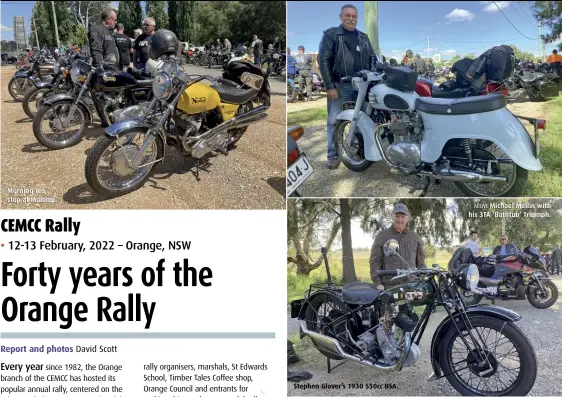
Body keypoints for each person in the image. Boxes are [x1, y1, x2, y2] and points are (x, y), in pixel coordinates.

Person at [318, 4, 376, 170]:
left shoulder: (363, 37)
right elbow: (323, 61)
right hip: (340, 84)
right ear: (340, 17)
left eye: (354, 16)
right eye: (347, 15)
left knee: (361, 120)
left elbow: (372, 59)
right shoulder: (331, 34)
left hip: (363, 86)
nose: (351, 18)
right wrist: (329, 86)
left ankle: (358, 152)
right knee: (334, 121)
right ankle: (333, 154)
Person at [369, 203, 426, 290]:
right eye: (397, 216)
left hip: (410, 286)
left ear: (407, 218)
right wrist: (378, 283)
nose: (400, 220)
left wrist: (421, 280)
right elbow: (375, 261)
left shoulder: (415, 237)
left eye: (403, 217)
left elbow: (421, 263)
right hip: (389, 286)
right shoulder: (382, 236)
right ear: (392, 216)